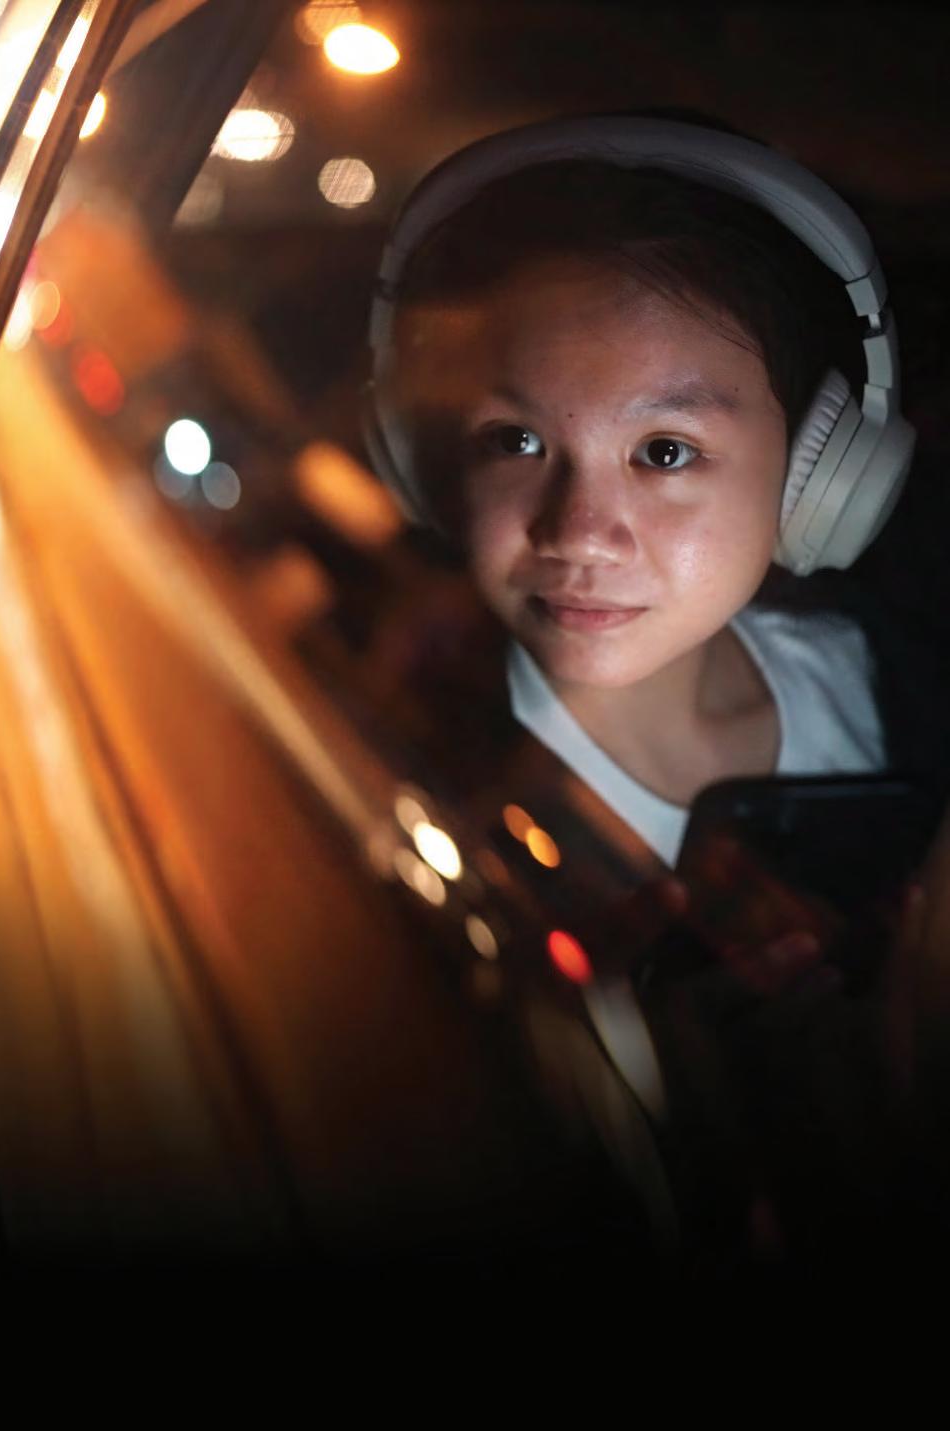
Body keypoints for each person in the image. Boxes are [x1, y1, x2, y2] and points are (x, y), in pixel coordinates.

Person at [363, 114, 939, 1267]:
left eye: (665, 451)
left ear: (815, 479)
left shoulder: (899, 680)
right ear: (429, 465)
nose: (580, 532)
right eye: (516, 440)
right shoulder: (434, 796)